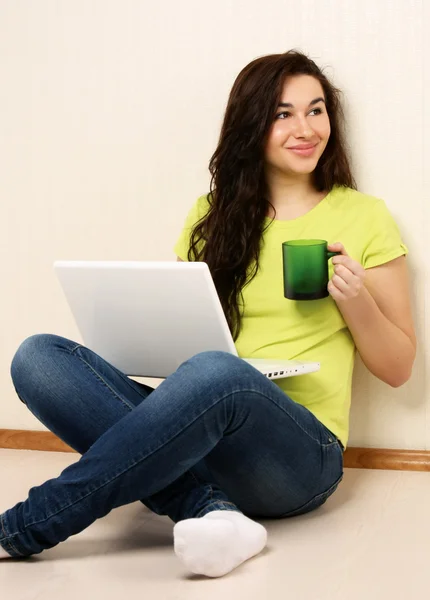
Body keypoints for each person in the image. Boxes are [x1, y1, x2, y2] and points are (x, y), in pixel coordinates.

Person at [0, 50, 416, 578]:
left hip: (301, 457)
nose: (306, 128)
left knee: (218, 371)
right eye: (283, 113)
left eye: (316, 110)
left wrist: (358, 302)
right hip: (206, 436)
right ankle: (208, 510)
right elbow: (185, 333)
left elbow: (399, 367)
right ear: (251, 124)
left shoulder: (365, 216)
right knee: (38, 356)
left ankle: (27, 524)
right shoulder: (209, 215)